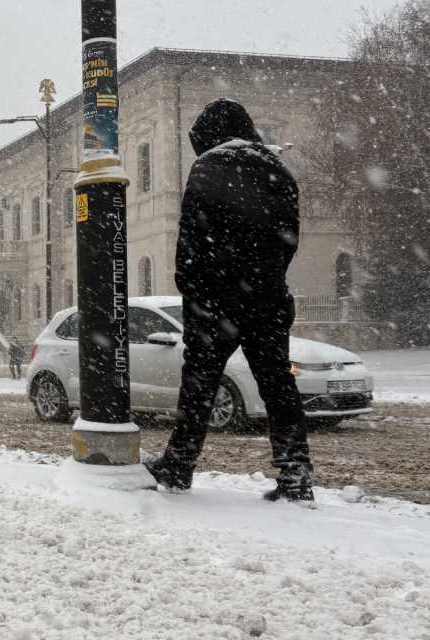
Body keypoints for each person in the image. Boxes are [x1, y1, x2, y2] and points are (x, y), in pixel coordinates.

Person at [144, 98, 313, 502]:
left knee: (199, 386)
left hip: (216, 299)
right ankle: (295, 474)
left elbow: (192, 236)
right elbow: (289, 239)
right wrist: (267, 276)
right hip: (268, 297)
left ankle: (179, 465)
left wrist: (192, 285)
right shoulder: (278, 170)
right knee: (279, 385)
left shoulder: (208, 167)